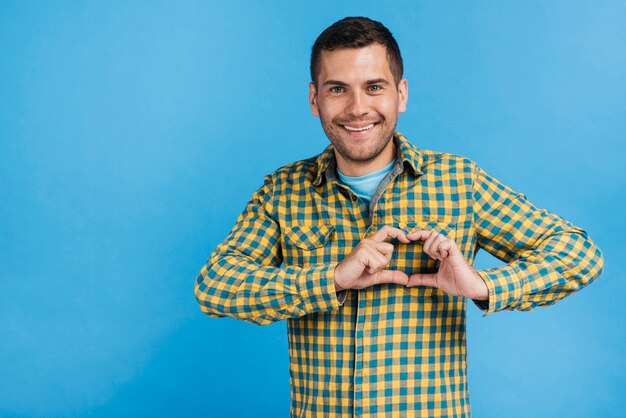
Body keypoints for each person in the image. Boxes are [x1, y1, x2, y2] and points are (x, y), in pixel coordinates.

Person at [194, 16, 603, 417]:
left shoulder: (460, 182)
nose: (358, 108)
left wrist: (481, 285)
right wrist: (333, 277)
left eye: (374, 87)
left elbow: (578, 254)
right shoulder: (284, 191)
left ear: (400, 94)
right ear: (314, 99)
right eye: (338, 89)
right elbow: (215, 285)